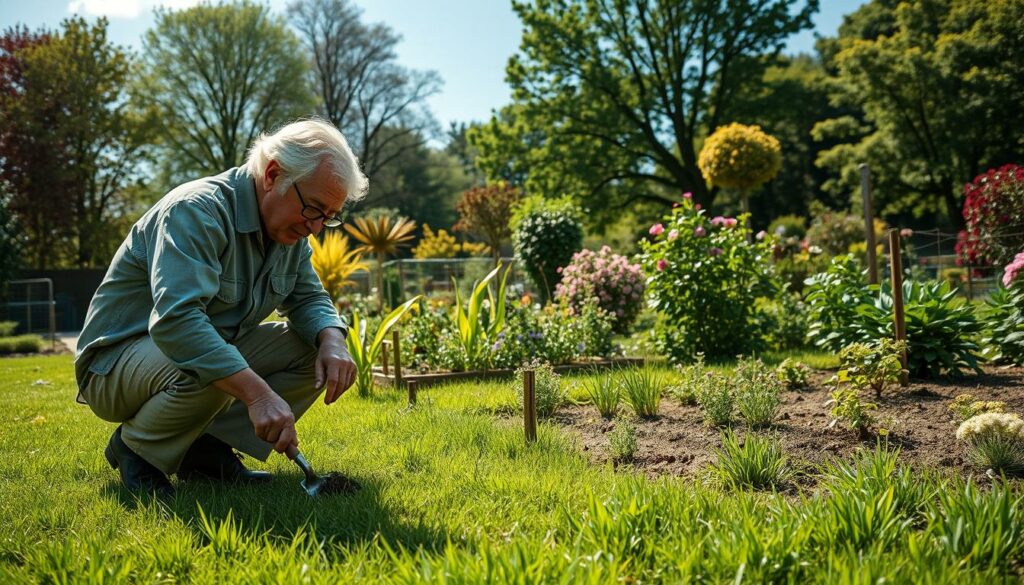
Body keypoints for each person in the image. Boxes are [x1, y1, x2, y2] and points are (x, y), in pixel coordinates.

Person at [74, 119, 364, 496]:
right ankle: (137, 451)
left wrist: (332, 341)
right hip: (114, 366)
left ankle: (202, 450)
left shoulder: (288, 232)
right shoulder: (196, 211)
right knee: (209, 362)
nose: (316, 228)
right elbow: (177, 323)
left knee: (313, 349)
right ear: (273, 174)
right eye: (314, 209)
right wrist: (257, 395)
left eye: (329, 216)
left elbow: (309, 298)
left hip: (184, 353)